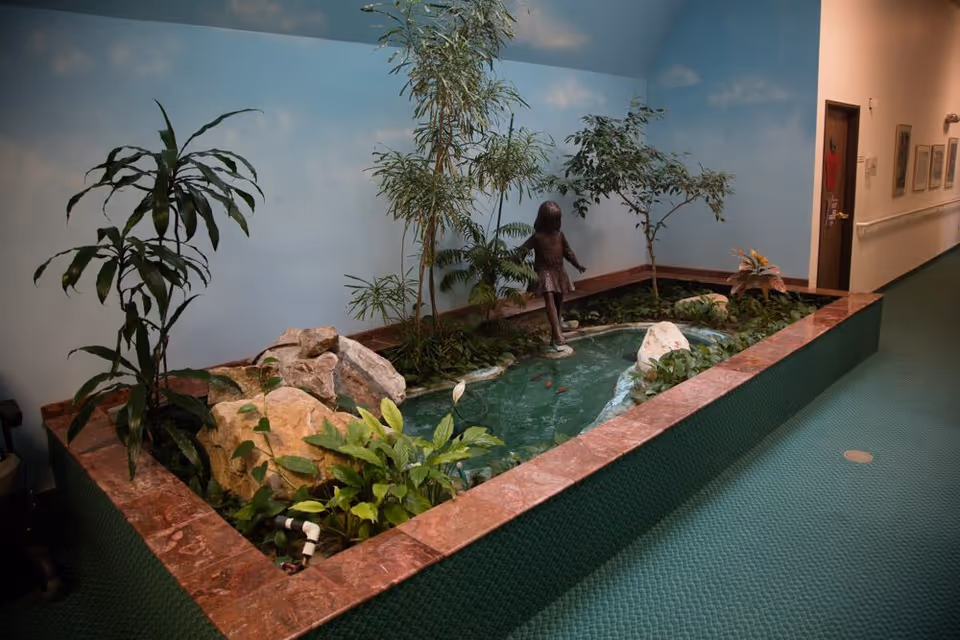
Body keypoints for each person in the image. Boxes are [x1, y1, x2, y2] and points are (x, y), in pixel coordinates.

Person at [518, 201, 586, 349]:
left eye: (557, 220)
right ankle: (558, 334)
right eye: (551, 221)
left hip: (558, 271)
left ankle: (555, 334)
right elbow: (522, 251)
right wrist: (514, 263)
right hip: (544, 271)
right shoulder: (537, 237)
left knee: (557, 302)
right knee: (549, 299)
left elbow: (567, 251)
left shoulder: (559, 235)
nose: (555, 223)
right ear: (543, 220)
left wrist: (577, 264)